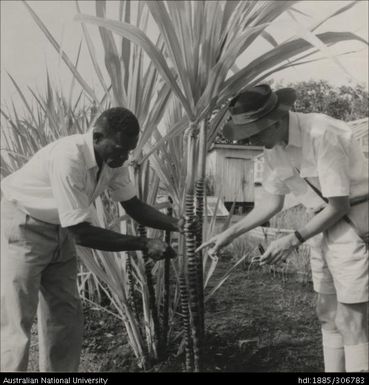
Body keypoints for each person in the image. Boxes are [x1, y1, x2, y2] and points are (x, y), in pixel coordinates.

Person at [197, 84, 368, 372]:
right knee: (326, 314)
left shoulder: (321, 133)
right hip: (320, 226)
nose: (253, 139)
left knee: (353, 320)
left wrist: (292, 240)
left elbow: (339, 205)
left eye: (256, 131)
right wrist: (228, 234)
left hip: (354, 225)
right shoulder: (273, 147)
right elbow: (270, 204)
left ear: (275, 119)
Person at [0, 107, 183, 372]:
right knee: (16, 319)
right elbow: (81, 233)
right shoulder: (69, 158)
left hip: (60, 228)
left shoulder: (113, 160)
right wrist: (143, 244)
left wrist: (177, 224)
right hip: (22, 224)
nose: (124, 157)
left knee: (65, 316)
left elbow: (133, 206)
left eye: (129, 151)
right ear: (97, 137)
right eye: (120, 149)